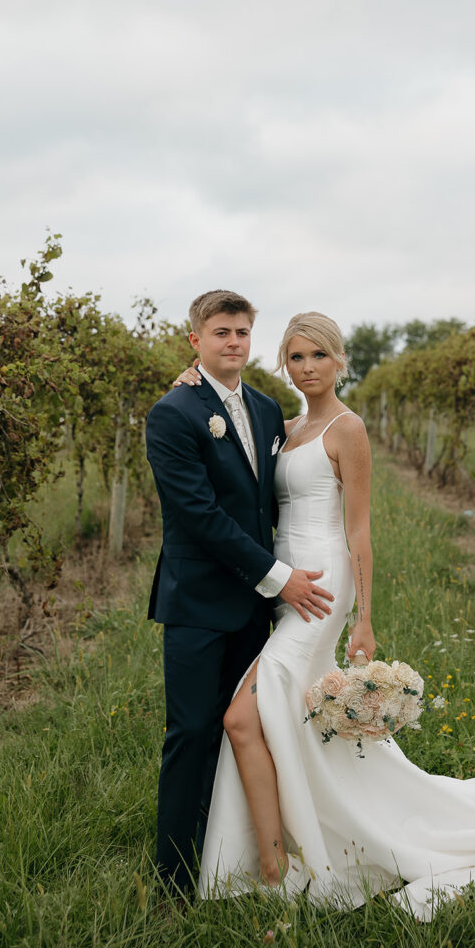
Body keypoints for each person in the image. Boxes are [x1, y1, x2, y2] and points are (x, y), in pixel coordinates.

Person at [178, 311, 475, 921]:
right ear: (284, 364)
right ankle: (300, 840)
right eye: (296, 357)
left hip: (321, 590)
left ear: (341, 361)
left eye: (318, 356)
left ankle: (273, 862)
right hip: (284, 587)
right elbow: (232, 431)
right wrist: (192, 378)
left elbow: (358, 527)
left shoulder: (349, 427)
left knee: (241, 717)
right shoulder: (283, 427)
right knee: (285, 717)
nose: (306, 368)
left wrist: (363, 617)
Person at [145, 290, 335, 895]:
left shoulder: (264, 408)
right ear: (195, 340)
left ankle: (234, 859)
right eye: (221, 332)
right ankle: (174, 879)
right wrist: (281, 579)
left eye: (243, 332)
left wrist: (275, 587)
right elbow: (199, 514)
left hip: (257, 607)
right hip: (199, 603)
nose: (234, 342)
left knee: (252, 731)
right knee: (192, 734)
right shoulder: (172, 414)